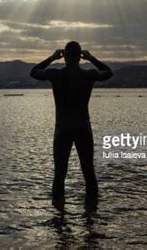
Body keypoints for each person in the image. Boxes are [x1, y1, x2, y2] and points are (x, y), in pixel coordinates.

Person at [30, 41, 113, 205]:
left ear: (65, 57)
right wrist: (91, 58)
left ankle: (59, 216)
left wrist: (52, 58)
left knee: (60, 173)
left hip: (63, 129)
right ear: (80, 57)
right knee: (88, 170)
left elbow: (33, 72)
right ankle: (91, 214)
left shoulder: (56, 74)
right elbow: (108, 72)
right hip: (83, 128)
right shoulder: (88, 75)